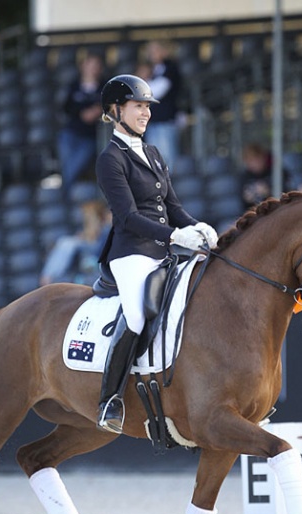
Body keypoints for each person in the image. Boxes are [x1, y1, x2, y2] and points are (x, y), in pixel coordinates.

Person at [95, 74, 218, 434]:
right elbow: (128, 217)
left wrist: (198, 227)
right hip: (131, 252)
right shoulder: (110, 159)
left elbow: (173, 205)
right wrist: (176, 234)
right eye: (138, 106)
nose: (145, 113)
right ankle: (110, 400)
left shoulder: (152, 152)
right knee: (135, 316)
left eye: (148, 107)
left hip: (164, 248)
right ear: (116, 110)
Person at [56, 51, 105, 198]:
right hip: (71, 133)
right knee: (68, 163)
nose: (92, 69)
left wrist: (97, 110)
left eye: (96, 66)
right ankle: (67, 194)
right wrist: (82, 113)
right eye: (90, 65)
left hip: (90, 136)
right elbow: (67, 108)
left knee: (74, 164)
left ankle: (63, 193)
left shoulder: (104, 87)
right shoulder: (74, 85)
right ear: (83, 66)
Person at [39, 199, 111, 286]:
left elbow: (96, 249)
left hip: (94, 264)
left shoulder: (106, 229)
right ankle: (49, 277)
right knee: (65, 243)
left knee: (67, 243)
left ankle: (48, 277)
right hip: (86, 263)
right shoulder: (88, 233)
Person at [141, 40, 182, 171]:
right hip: (153, 120)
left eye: (156, 50)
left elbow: (156, 91)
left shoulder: (170, 68)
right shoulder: (153, 70)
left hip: (165, 120)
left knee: (166, 159)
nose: (152, 54)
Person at [239, 142, 274, 211]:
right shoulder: (244, 177)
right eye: (250, 161)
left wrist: (268, 192)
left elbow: (285, 194)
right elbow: (241, 201)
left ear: (263, 158)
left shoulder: (275, 173)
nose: (254, 163)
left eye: (256, 159)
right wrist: (247, 199)